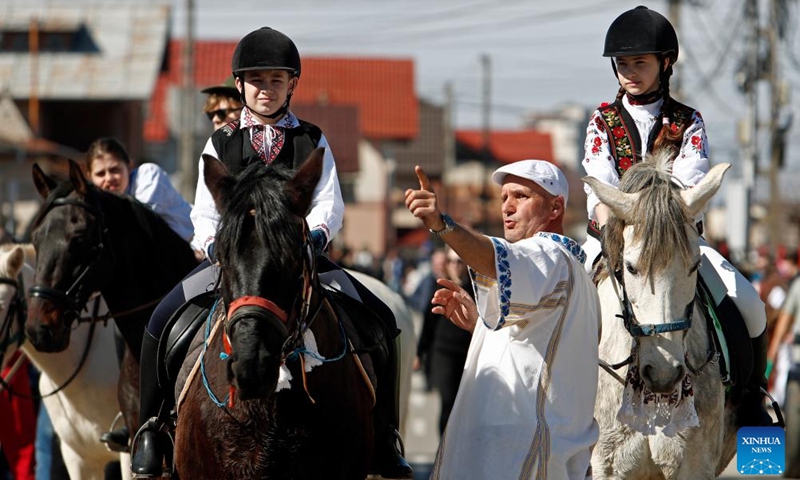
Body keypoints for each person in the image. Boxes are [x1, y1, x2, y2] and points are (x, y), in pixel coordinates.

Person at [130, 26, 412, 479]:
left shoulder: (311, 138)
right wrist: (211, 245)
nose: (266, 89)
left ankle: (385, 436)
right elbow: (206, 212)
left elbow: (328, 201)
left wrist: (316, 236)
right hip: (235, 261)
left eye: (276, 80)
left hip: (298, 257)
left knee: (380, 319)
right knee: (162, 320)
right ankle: (151, 428)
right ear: (240, 85)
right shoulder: (221, 141)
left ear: (291, 85)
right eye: (257, 80)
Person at [581, 5, 771, 427]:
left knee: (752, 304)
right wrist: (616, 224)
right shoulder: (602, 121)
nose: (630, 71)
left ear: (665, 63)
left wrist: (657, 218)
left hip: (678, 237)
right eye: (623, 63)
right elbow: (599, 181)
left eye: (640, 63)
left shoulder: (689, 121)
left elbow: (687, 186)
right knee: (562, 303)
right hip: (611, 235)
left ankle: (753, 402)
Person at [405, 160, 600, 479]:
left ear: (555, 208)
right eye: (503, 197)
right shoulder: (574, 272)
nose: (507, 207)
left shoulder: (547, 254)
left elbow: (493, 259)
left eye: (521, 196)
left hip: (519, 459)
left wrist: (442, 225)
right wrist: (480, 327)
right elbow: (537, 347)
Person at [85, 137, 194, 243]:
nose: (108, 178)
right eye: (100, 174)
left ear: (129, 166)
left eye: (114, 170)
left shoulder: (148, 176)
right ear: (90, 177)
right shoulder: (94, 202)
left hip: (196, 244)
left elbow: (140, 226)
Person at [413, 247, 446, 391]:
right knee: (424, 347)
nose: (439, 265)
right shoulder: (427, 280)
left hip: (439, 324)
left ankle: (432, 378)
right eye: (437, 262)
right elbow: (414, 296)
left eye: (442, 262)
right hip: (425, 318)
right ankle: (427, 377)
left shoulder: (446, 282)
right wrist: (421, 305)